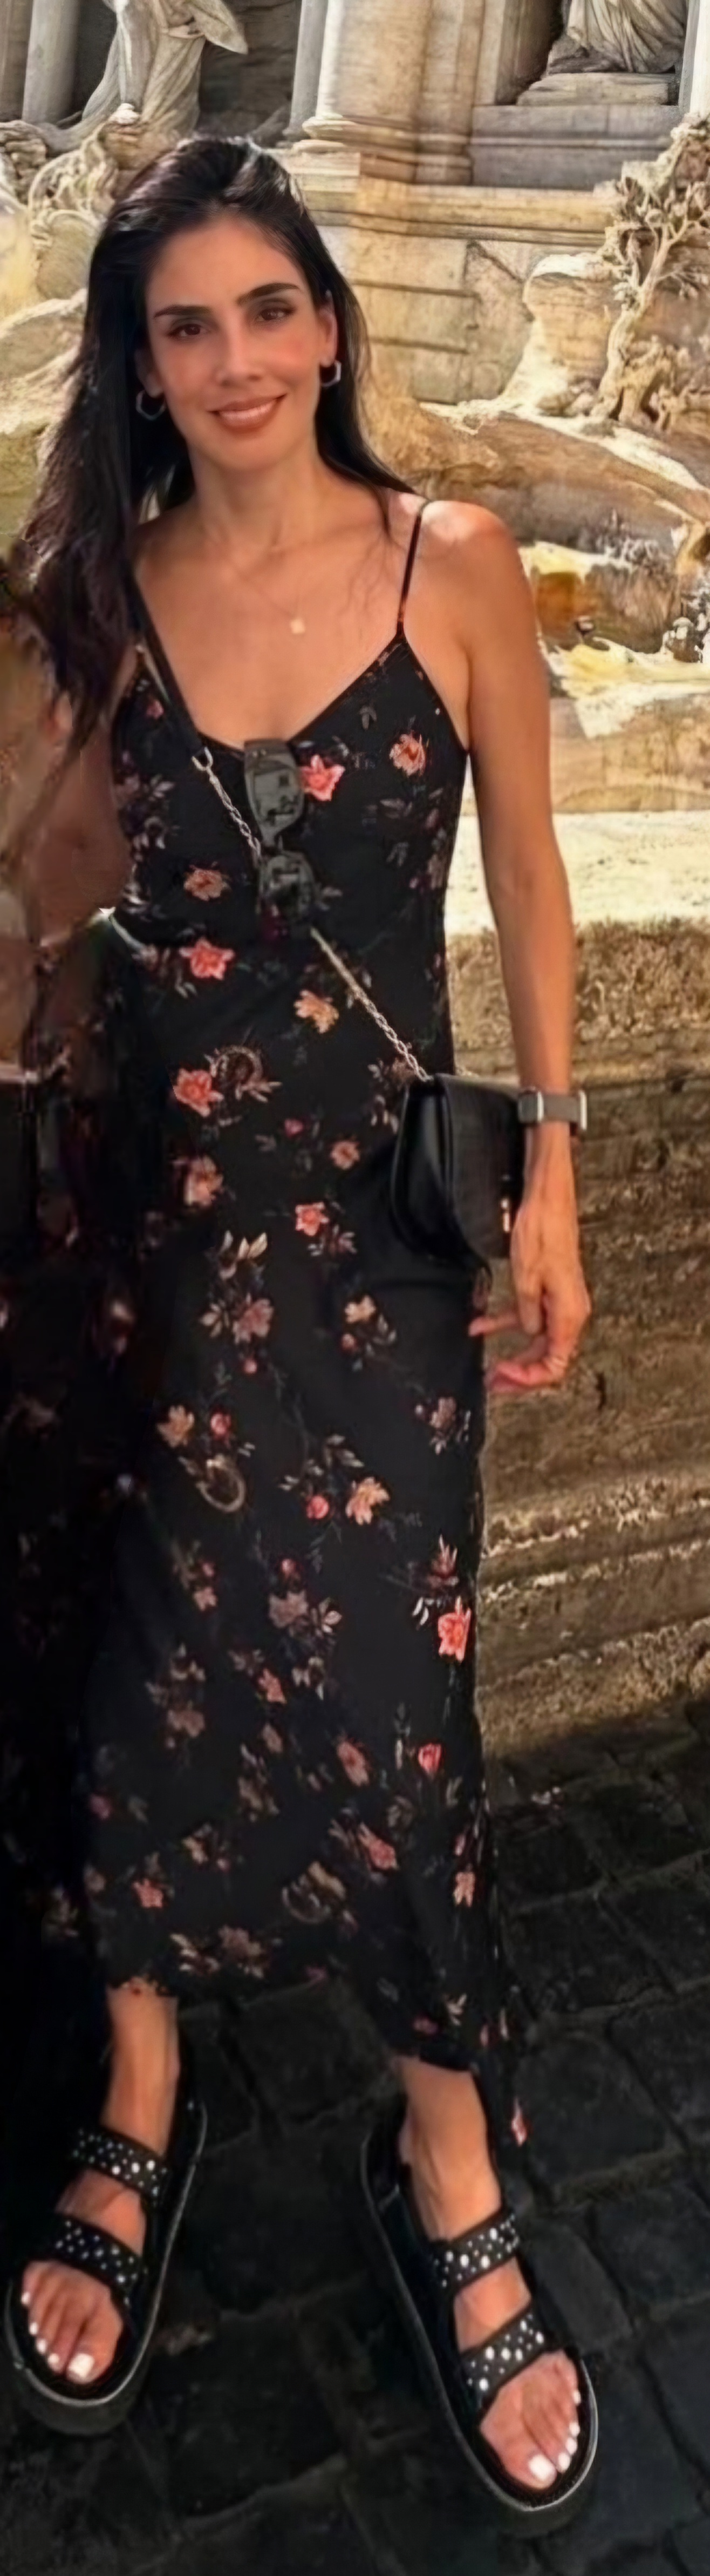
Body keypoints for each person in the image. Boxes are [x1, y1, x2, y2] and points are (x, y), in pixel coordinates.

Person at [2, 134, 597, 2518]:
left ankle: (449, 2147)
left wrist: (553, 1167)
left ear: (329, 324)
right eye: (186, 325)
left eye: (267, 308)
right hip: (131, 1226)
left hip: (372, 1234)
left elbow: (530, 871)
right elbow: (37, 908)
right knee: (122, 1650)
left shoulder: (453, 562)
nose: (234, 359)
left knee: (390, 1696)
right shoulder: (94, 597)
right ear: (139, 365)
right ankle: (139, 2083)